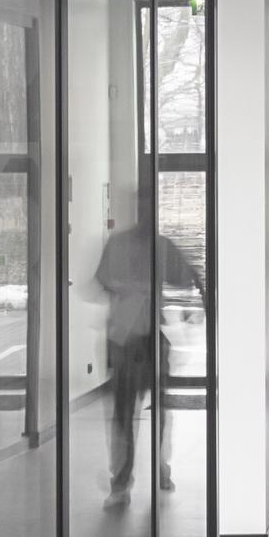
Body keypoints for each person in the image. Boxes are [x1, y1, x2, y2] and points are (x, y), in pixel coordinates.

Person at [95, 212, 163, 501]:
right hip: (124, 338)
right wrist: (128, 288)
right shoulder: (119, 243)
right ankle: (121, 480)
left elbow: (189, 274)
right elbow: (101, 279)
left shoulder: (161, 244)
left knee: (158, 408)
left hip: (149, 337)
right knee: (123, 413)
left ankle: (159, 467)